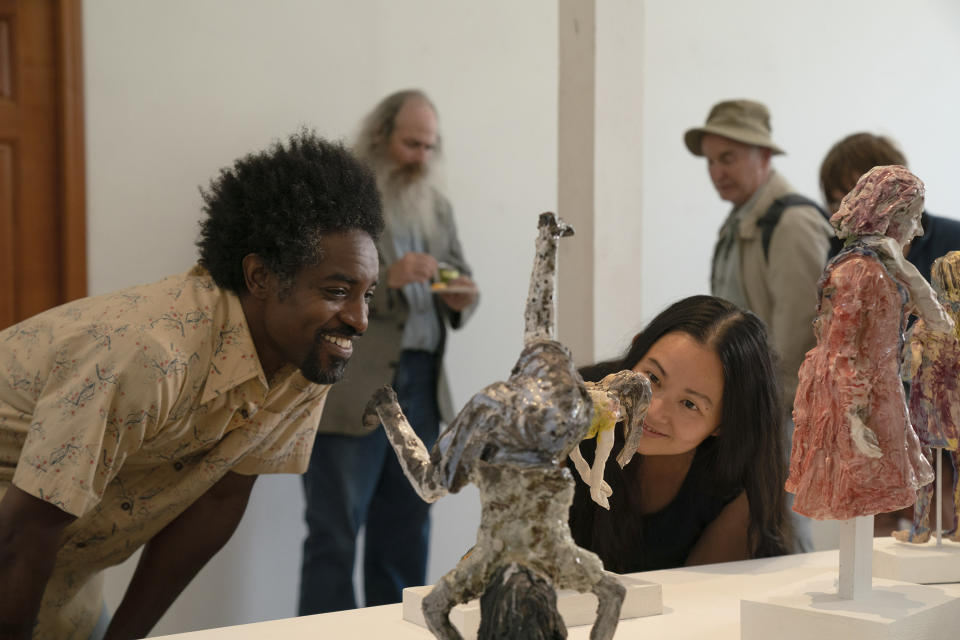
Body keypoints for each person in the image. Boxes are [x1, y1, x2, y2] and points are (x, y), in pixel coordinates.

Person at [0, 131, 383, 640]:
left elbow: (218, 500)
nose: (359, 319)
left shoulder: (305, 360)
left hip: (58, 569)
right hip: (18, 542)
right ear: (261, 277)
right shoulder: (149, 353)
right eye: (338, 291)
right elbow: (25, 529)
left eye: (368, 294)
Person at [299, 90, 479, 614]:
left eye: (429, 146)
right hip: (351, 381)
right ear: (380, 138)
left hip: (420, 381)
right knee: (334, 535)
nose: (421, 157)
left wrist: (464, 296)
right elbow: (315, 285)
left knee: (406, 528)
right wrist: (387, 279)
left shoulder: (437, 207)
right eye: (410, 144)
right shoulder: (340, 200)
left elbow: (461, 278)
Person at [685, 99, 833, 551]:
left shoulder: (791, 223)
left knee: (785, 531)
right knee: (757, 531)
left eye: (727, 157)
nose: (716, 171)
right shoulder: (741, 221)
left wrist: (768, 420)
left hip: (778, 415)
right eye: (711, 160)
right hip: (746, 415)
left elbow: (802, 337)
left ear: (763, 157)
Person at [569, 295, 794, 573]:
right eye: (652, 377)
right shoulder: (572, 404)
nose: (652, 410)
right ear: (638, 349)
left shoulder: (740, 476)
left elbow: (700, 600)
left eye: (689, 404)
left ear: (723, 423)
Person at [787, 165, 949, 520]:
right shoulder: (858, 272)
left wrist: (908, 274)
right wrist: (854, 417)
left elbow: (942, 327)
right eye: (914, 217)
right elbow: (844, 351)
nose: (919, 229)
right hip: (854, 394)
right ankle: (855, 571)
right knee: (858, 488)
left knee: (877, 492)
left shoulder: (884, 266)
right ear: (892, 216)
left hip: (880, 388)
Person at [820, 132, 960, 282]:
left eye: (858, 197)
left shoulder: (954, 239)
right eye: (836, 203)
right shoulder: (839, 253)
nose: (844, 215)